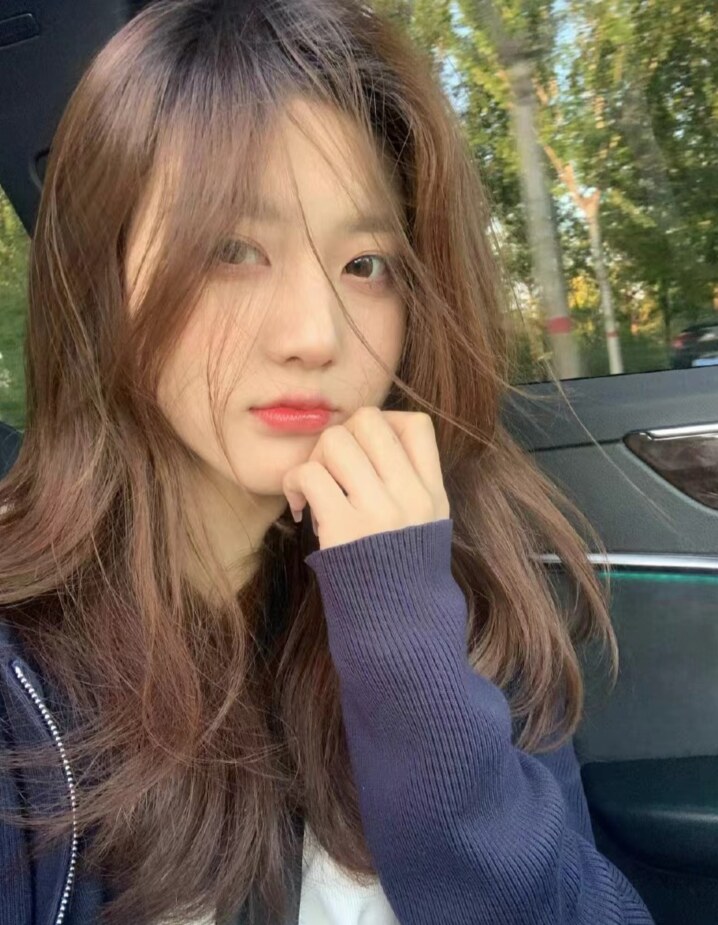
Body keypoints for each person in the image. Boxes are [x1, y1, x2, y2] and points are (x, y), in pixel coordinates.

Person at [0, 1, 655, 924]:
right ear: (103, 279)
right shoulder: (22, 679)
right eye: (232, 250)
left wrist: (410, 658)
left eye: (367, 264)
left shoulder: (459, 586)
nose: (317, 335)